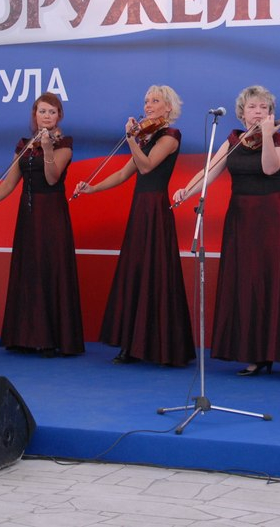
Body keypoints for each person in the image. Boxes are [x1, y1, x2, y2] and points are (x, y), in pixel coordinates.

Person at [173, 85, 280, 383]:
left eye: (264, 107)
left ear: (271, 113)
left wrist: (266, 133)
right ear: (242, 113)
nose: (258, 111)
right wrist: (186, 191)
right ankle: (256, 354)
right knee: (248, 283)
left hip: (272, 218)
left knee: (279, 283)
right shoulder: (233, 140)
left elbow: (269, 168)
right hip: (240, 219)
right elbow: (210, 170)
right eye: (252, 107)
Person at [74, 85, 194, 367]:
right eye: (146, 101)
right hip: (140, 208)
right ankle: (131, 344)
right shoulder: (147, 136)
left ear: (168, 107)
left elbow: (147, 166)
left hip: (156, 208)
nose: (148, 105)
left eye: (155, 101)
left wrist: (130, 139)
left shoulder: (171, 136)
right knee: (136, 271)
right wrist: (93, 188)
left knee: (157, 273)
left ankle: (163, 347)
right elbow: (123, 174)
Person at [0, 92, 84, 356]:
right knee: (29, 270)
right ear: (35, 115)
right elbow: (10, 182)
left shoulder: (64, 144)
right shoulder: (23, 144)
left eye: (52, 112)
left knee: (50, 269)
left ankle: (51, 339)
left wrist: (47, 149)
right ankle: (25, 336)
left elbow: (52, 178)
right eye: (42, 111)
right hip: (28, 215)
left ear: (59, 116)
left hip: (52, 215)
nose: (47, 116)